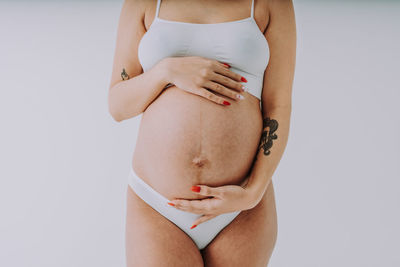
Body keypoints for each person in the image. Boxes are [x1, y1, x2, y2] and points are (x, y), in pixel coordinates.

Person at [108, 0, 296, 266]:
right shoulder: (143, 3)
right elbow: (117, 105)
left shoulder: (272, 4)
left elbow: (279, 104)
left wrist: (252, 193)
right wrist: (166, 71)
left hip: (239, 206)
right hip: (158, 204)